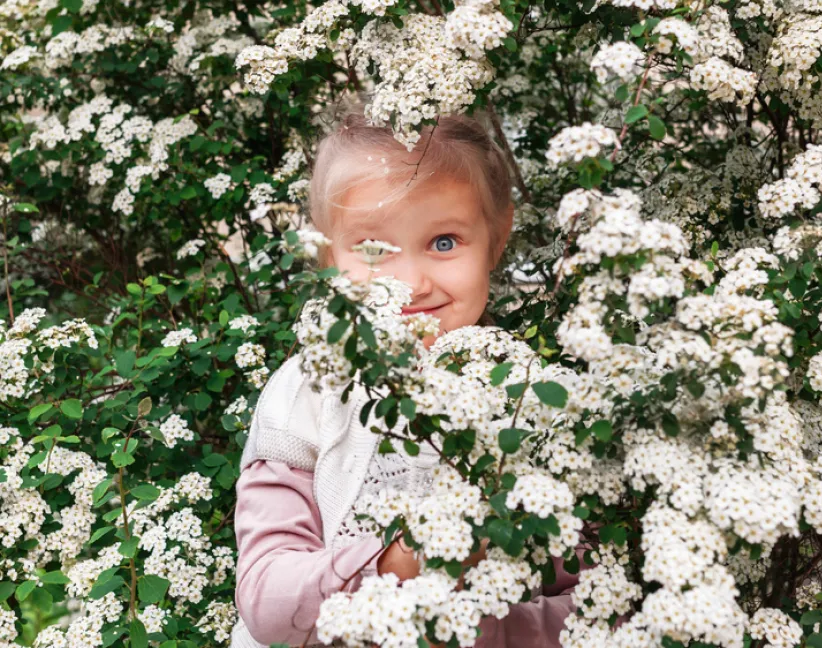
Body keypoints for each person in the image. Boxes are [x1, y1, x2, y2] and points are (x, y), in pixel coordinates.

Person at [230, 96, 586, 648]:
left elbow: (592, 600)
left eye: (444, 242)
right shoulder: (308, 393)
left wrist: (477, 629)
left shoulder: (533, 401)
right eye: (375, 249)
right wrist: (397, 563)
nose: (412, 283)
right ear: (329, 258)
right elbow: (266, 600)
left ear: (496, 239)